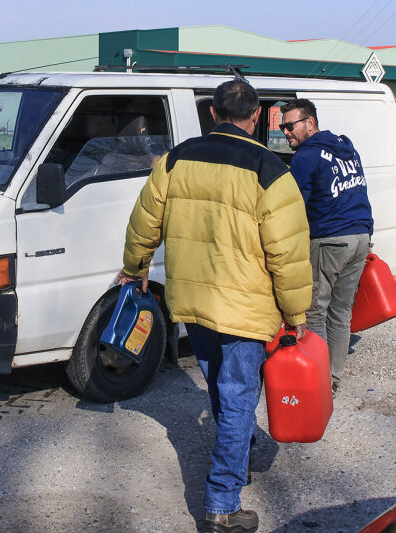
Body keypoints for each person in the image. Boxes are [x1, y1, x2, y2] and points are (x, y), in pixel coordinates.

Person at [117, 79, 312, 533]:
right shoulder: (270, 168)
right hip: (246, 309)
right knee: (238, 397)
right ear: (257, 116)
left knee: (223, 392)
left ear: (212, 113)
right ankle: (222, 503)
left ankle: (236, 457)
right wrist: (296, 313)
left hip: (194, 302)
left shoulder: (176, 160)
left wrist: (134, 267)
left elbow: (144, 221)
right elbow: (288, 252)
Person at [279, 98, 373, 391]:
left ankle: (318, 382)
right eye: (282, 127)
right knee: (341, 312)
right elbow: (359, 190)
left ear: (310, 123)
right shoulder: (347, 148)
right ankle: (333, 378)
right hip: (359, 236)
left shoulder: (306, 156)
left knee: (314, 312)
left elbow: (295, 206)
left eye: (290, 126)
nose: (286, 132)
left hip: (329, 241)